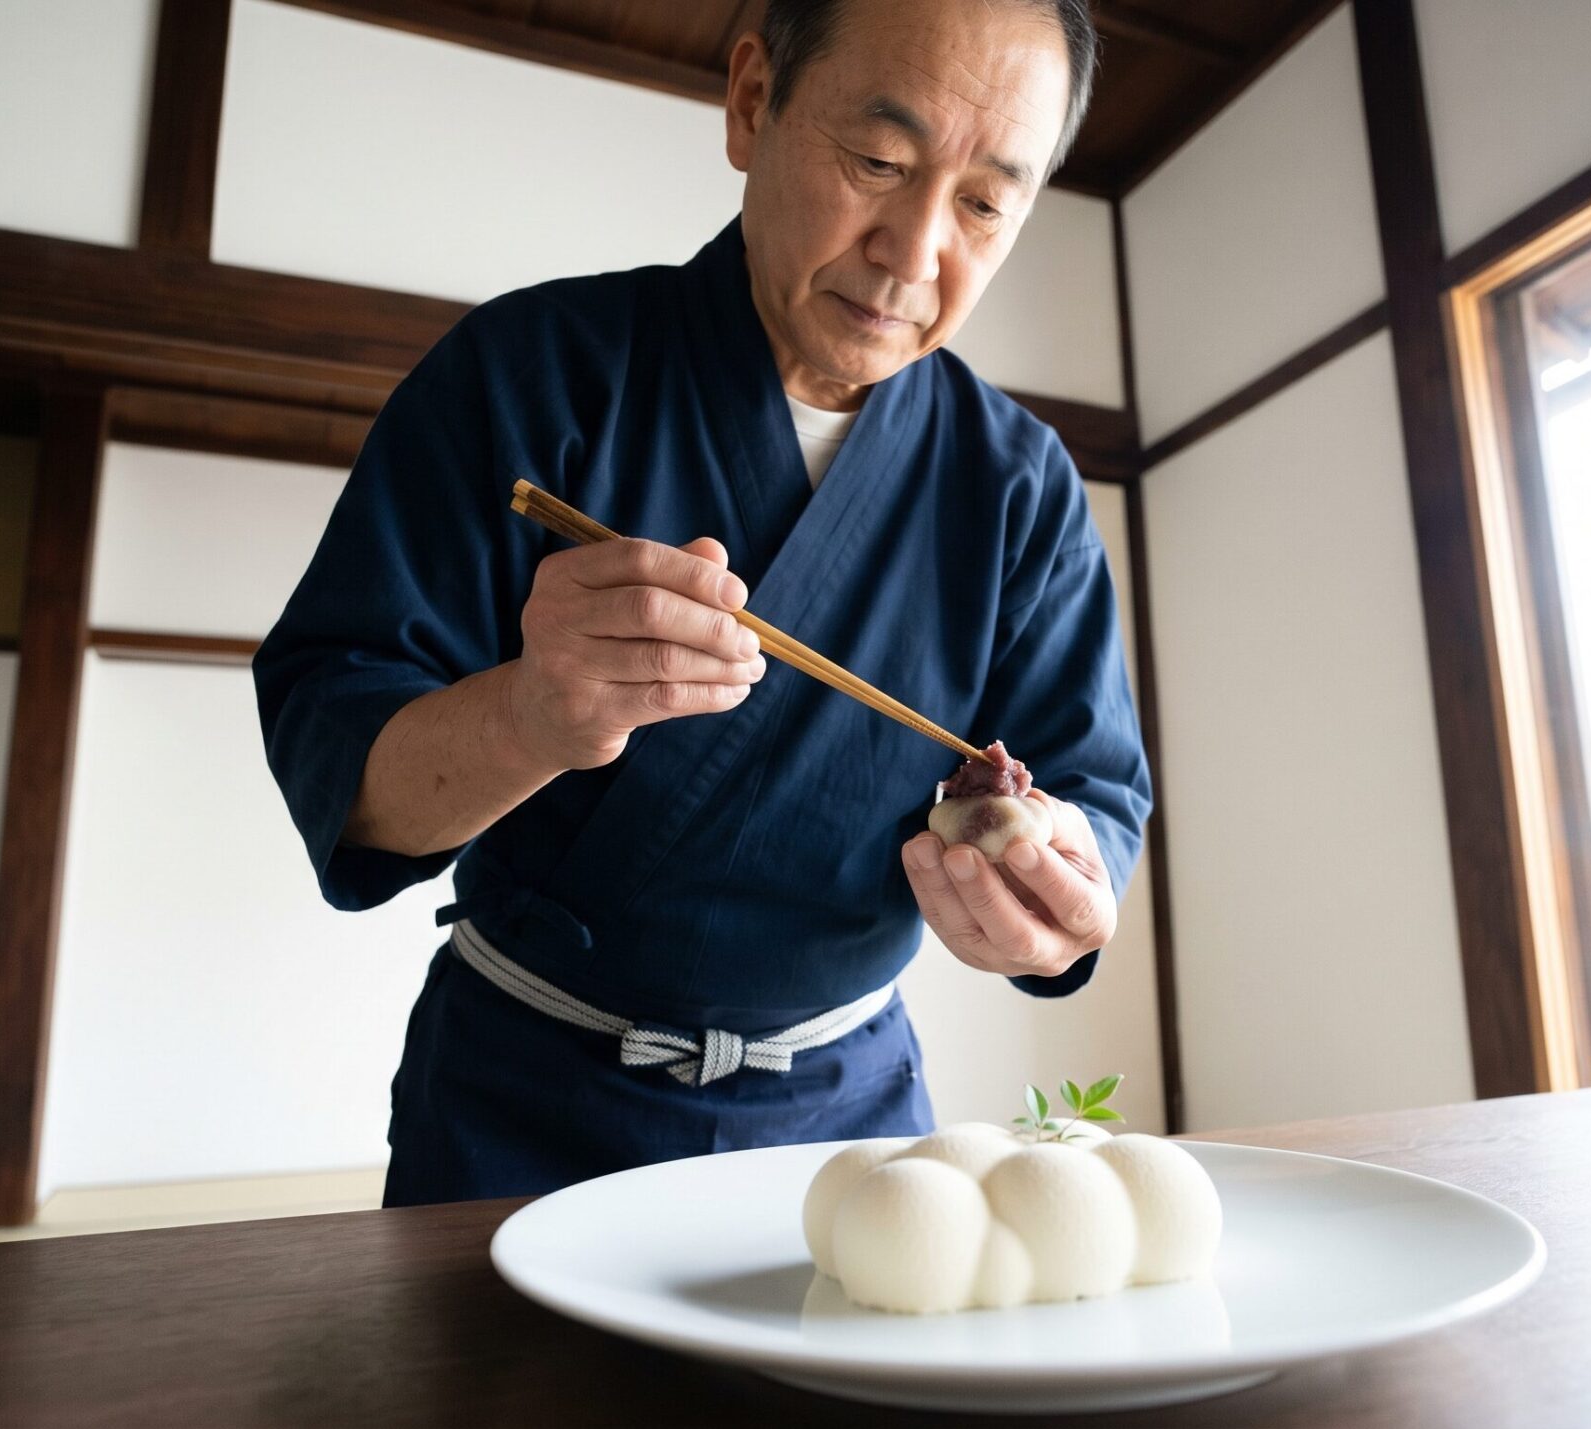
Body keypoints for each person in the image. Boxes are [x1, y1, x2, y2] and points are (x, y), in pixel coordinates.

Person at [255, 0, 1150, 1204]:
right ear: (750, 101)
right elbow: (343, 764)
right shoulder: (531, 372)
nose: (913, 249)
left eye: (986, 202)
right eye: (878, 162)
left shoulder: (1019, 483)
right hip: (524, 1104)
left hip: (852, 1125)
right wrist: (530, 716)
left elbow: (1092, 792)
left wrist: (1055, 903)